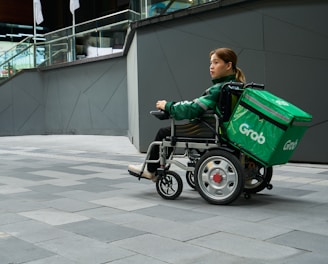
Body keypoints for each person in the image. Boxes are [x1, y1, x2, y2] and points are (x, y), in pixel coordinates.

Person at [128, 47, 246, 180]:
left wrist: (168, 106)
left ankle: (151, 170)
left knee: (164, 133)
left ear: (228, 65)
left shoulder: (219, 89)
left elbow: (193, 108)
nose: (211, 67)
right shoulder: (237, 85)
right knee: (168, 132)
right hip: (222, 130)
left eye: (216, 63)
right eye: (211, 63)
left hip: (207, 130)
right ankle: (155, 167)